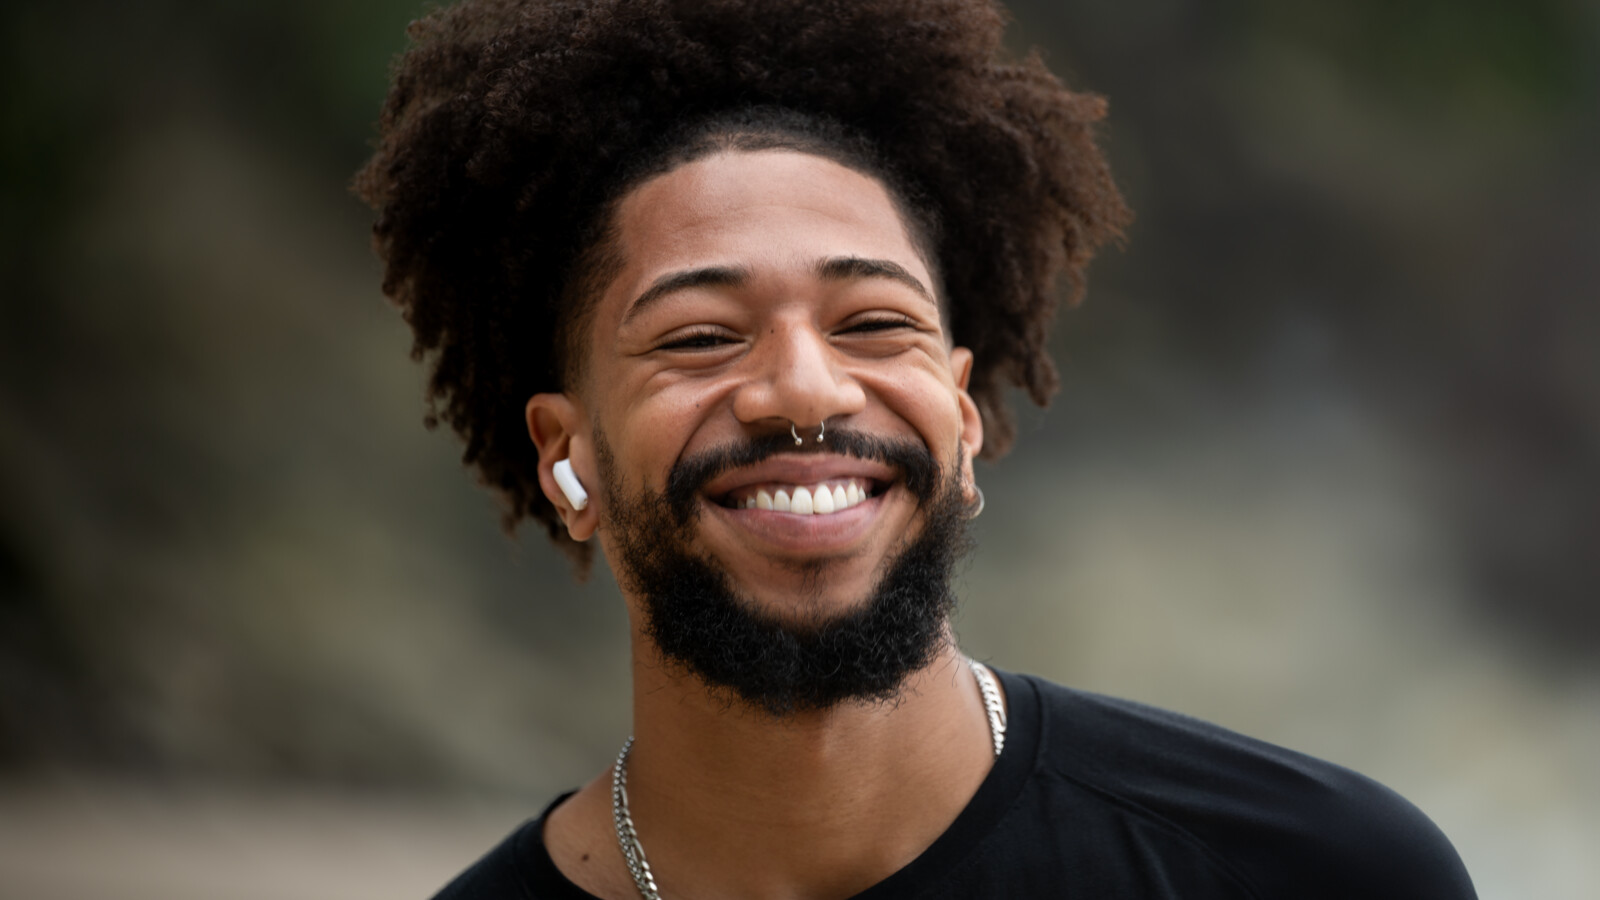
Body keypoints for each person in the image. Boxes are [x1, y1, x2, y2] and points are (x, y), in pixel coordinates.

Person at [355, 1, 1477, 897]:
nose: (804, 387)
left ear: (961, 417)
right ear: (569, 456)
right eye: (699, 337)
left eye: (872, 323)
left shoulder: (1318, 873)